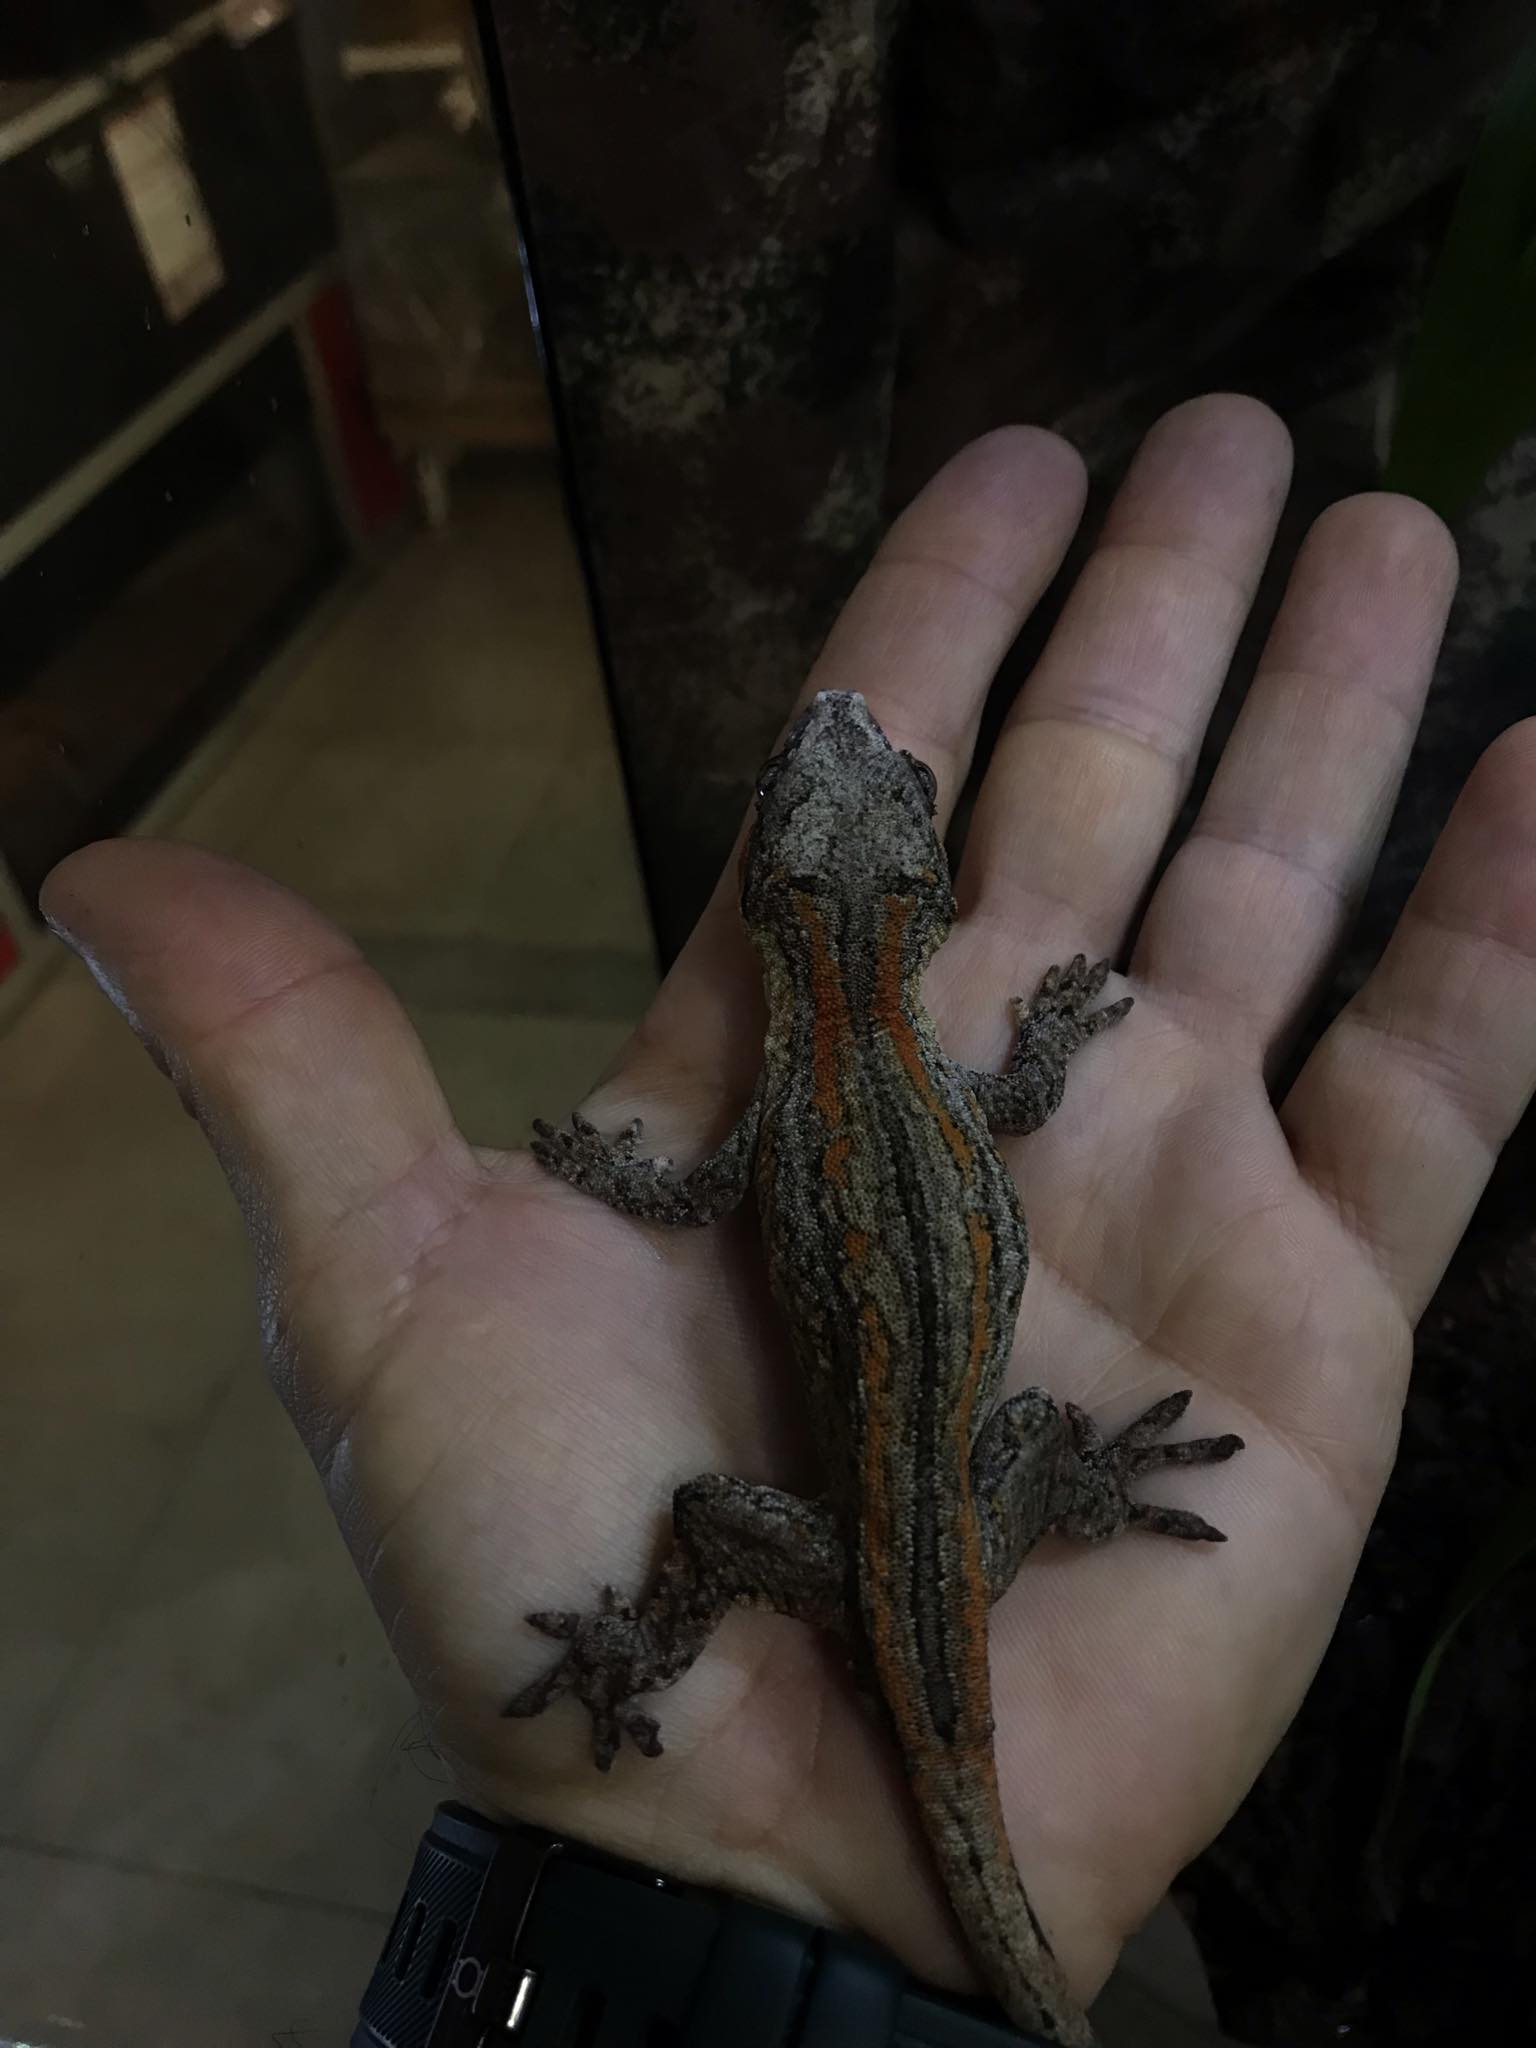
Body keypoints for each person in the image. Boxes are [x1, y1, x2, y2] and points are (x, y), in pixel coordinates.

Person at [40, 396, 1536, 2018]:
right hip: (970, 1522)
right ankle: (1083, 1489)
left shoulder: (785, 1113)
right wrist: (1042, 1031)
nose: (850, 732)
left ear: (771, 908)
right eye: (868, 771)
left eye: (878, 769)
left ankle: (649, 1656)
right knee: (988, 1454)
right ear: (922, 907)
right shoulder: (932, 1082)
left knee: (697, 1528)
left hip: (884, 1550)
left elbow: (682, 1193)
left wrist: (608, 1175)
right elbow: (1018, 1102)